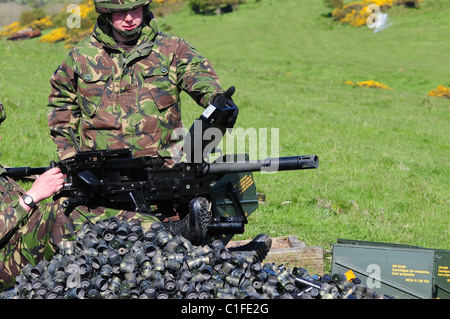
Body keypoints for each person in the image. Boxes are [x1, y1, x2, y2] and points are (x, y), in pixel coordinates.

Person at [47, 0, 237, 162]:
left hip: (165, 166)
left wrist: (216, 98)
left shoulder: (172, 48)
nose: (129, 18)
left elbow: (198, 75)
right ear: (106, 12)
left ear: (144, 8)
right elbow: (61, 104)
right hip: (100, 172)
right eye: (121, 12)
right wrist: (69, 155)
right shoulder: (81, 56)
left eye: (134, 9)